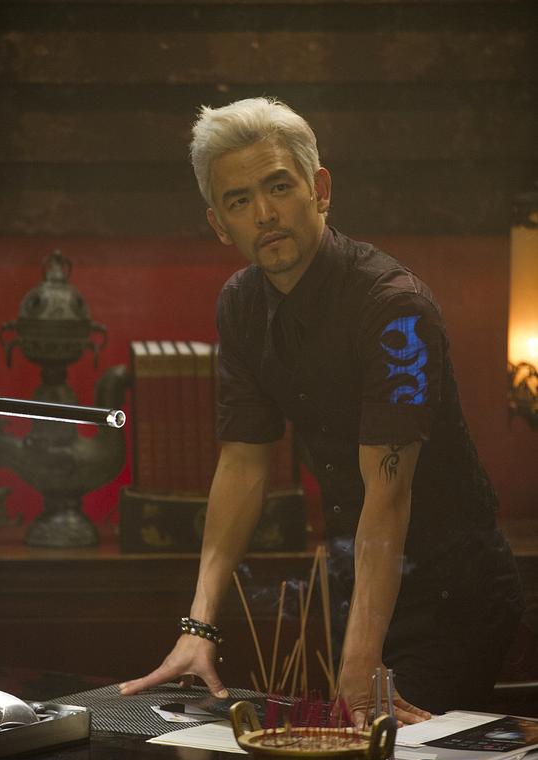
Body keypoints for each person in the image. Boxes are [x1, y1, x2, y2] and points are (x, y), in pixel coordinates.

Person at [120, 98, 523, 724]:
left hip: (453, 596)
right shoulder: (240, 305)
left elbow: (387, 496)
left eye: (279, 186)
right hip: (353, 584)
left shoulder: (395, 309)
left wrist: (359, 662)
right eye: (239, 200)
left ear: (320, 189)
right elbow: (243, 464)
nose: (264, 213)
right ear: (219, 224)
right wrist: (198, 626)